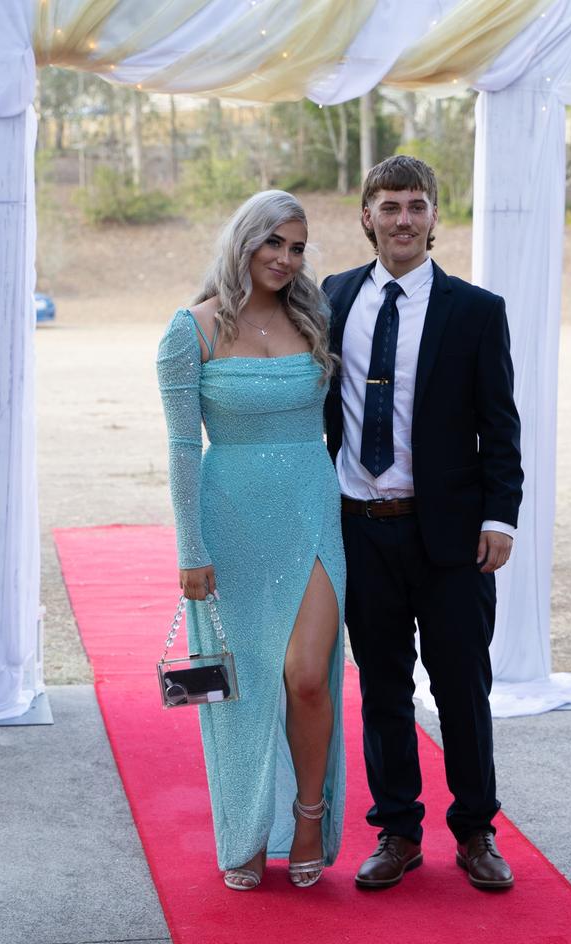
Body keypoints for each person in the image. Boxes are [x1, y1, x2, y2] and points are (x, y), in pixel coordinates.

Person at [322, 155, 523, 891]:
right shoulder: (333, 297)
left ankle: (475, 831)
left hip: (451, 537)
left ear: (435, 218)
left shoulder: (476, 311)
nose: (402, 219)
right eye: (389, 205)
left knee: (462, 686)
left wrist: (501, 517)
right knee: (380, 686)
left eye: (416, 206)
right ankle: (398, 832)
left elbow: (501, 429)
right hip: (360, 528)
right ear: (367, 216)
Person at [157, 190, 345, 891]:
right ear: (243, 241)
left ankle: (306, 816)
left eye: (296, 247)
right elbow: (181, 448)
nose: (285, 259)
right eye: (273, 243)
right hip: (229, 519)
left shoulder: (314, 315)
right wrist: (190, 551)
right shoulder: (189, 330)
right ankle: (241, 827)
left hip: (312, 510)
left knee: (306, 675)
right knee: (240, 688)